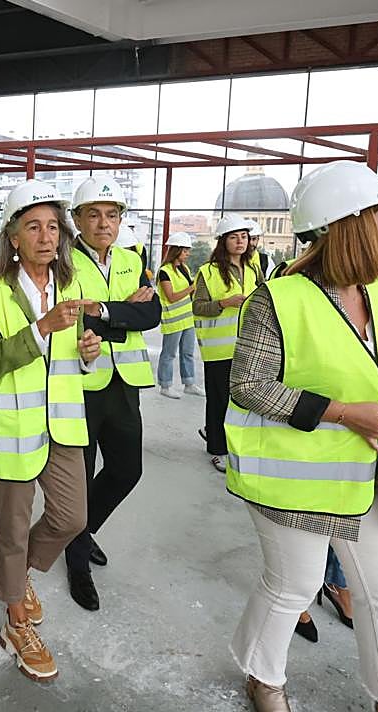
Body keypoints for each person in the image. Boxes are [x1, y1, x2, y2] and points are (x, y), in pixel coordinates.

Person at [226, 159, 378, 712]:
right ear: (354, 223)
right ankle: (262, 675)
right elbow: (248, 386)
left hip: (367, 477)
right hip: (295, 483)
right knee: (293, 585)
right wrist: (342, 413)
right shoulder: (280, 298)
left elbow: (377, 367)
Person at [0, 179, 99, 683]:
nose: (47, 237)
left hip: (62, 422)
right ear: (13, 237)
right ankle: (16, 620)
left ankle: (9, 576)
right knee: (12, 529)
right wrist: (41, 329)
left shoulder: (71, 286)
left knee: (71, 517)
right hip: (14, 427)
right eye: (33, 226)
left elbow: (74, 358)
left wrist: (87, 354)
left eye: (54, 227)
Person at [63, 177, 160, 611]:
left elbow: (152, 313)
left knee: (127, 470)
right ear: (78, 219)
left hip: (125, 383)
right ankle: (77, 560)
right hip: (81, 384)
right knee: (80, 479)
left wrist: (103, 312)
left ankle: (81, 534)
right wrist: (125, 314)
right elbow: (68, 320)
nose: (104, 223)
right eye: (94, 214)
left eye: (112, 215)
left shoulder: (130, 257)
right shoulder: (63, 262)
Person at [193, 214, 260, 472]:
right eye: (234, 237)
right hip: (219, 349)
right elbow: (198, 307)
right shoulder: (208, 272)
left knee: (242, 401)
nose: (240, 241)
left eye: (244, 236)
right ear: (223, 241)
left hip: (247, 347)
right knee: (219, 400)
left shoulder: (253, 269)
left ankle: (235, 445)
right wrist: (224, 303)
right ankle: (218, 449)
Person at [156, 232, 204, 398]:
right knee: (169, 354)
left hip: (187, 318)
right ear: (176, 251)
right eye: (185, 251)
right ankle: (165, 385)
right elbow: (171, 296)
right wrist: (191, 288)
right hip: (173, 321)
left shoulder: (184, 269)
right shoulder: (164, 272)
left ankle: (189, 383)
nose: (188, 254)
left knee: (188, 352)